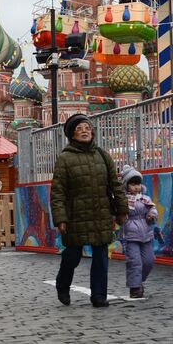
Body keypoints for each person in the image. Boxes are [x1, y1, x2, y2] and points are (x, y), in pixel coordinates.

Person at [50, 114, 128, 308]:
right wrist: (61, 218)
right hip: (76, 215)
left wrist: (121, 209)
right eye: (79, 128)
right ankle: (63, 283)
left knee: (101, 257)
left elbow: (115, 185)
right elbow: (58, 191)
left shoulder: (102, 155)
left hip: (101, 213)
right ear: (71, 134)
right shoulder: (65, 158)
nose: (84, 130)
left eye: (87, 127)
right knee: (73, 255)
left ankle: (99, 296)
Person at [120, 165, 158, 298]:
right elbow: (120, 214)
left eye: (138, 183)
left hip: (146, 233)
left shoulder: (145, 198)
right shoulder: (124, 200)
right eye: (133, 184)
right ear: (126, 185)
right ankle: (135, 288)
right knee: (134, 261)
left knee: (149, 260)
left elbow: (152, 209)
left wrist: (152, 215)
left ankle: (138, 281)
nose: (136, 187)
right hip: (131, 235)